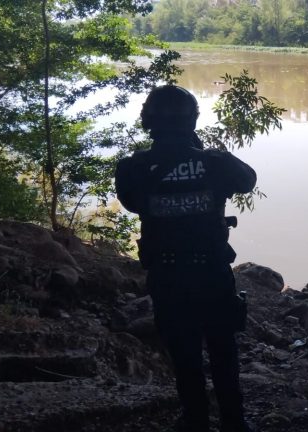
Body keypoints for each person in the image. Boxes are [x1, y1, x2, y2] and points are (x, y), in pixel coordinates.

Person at [115, 85, 256, 432]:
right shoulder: (216, 163)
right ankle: (234, 424)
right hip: (212, 274)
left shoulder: (134, 169)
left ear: (148, 121)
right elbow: (248, 180)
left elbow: (134, 203)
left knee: (185, 356)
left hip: (168, 276)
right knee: (224, 353)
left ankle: (196, 422)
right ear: (193, 120)